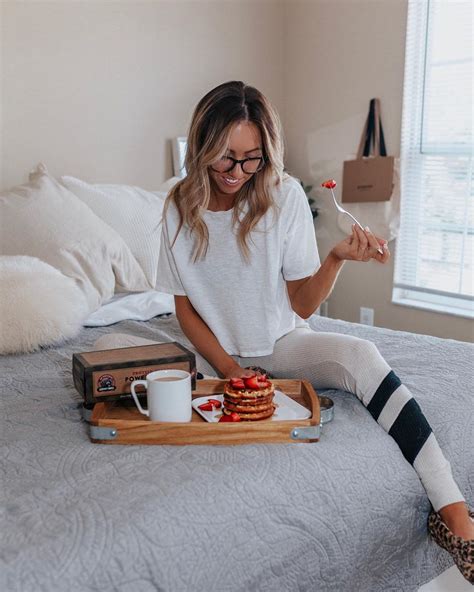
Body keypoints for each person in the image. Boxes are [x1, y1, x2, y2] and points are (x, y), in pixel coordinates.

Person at [94, 81, 473, 581]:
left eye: (252, 159)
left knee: (362, 353)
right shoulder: (177, 208)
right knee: (108, 354)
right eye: (226, 158)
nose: (238, 173)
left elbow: (301, 303)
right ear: (203, 146)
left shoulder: (284, 196)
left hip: (283, 343)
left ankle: (456, 519)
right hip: (215, 358)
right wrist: (230, 371)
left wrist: (337, 257)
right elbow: (185, 311)